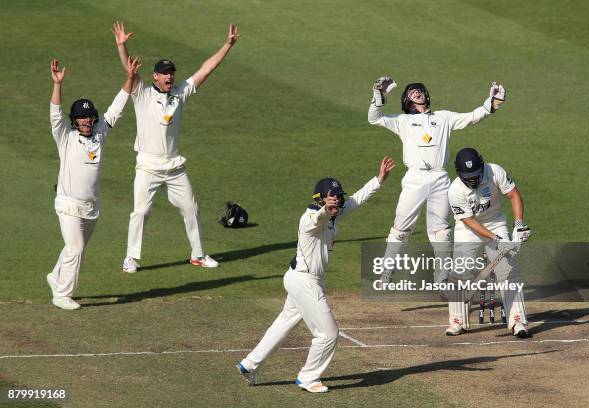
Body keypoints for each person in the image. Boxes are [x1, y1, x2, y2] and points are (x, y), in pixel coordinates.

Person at [236, 157, 396, 393]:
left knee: (283, 324)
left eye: (339, 196)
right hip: (305, 281)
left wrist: (379, 180)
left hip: (299, 278)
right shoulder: (310, 217)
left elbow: (357, 200)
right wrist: (325, 210)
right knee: (329, 334)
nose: (338, 201)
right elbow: (317, 219)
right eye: (333, 197)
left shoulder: (334, 214)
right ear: (320, 199)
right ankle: (308, 378)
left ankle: (249, 365)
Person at [111, 21, 240, 273]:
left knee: (191, 208)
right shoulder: (143, 94)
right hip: (148, 165)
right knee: (141, 212)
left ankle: (198, 255)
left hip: (174, 166)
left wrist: (228, 45)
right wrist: (122, 45)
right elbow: (130, 72)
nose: (170, 76)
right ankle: (131, 258)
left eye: (172, 72)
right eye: (164, 73)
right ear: (155, 76)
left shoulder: (180, 93)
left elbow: (206, 69)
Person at [368, 79, 506, 284]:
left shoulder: (443, 117)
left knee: (441, 231)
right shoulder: (402, 121)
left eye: (420, 91)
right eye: (412, 92)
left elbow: (471, 118)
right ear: (406, 100)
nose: (417, 93)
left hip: (440, 178)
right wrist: (379, 95)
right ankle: (387, 270)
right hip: (414, 178)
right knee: (401, 227)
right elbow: (374, 118)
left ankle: (441, 278)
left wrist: (492, 102)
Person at [47, 57, 141, 310]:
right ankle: (62, 295)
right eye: (82, 118)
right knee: (76, 249)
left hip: (91, 208)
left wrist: (131, 79)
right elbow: (55, 115)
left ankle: (55, 277)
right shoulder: (65, 137)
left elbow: (116, 108)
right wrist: (58, 84)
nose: (86, 121)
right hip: (67, 204)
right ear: (75, 120)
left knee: (73, 249)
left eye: (89, 117)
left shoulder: (100, 132)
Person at [446, 147, 531, 338]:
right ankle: (458, 321)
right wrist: (496, 238)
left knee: (508, 270)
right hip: (468, 229)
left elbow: (514, 195)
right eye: (468, 176)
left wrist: (518, 225)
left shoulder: (495, 171)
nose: (473, 179)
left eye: (476, 174)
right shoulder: (454, 191)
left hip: (496, 222)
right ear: (459, 173)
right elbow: (469, 221)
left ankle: (517, 320)